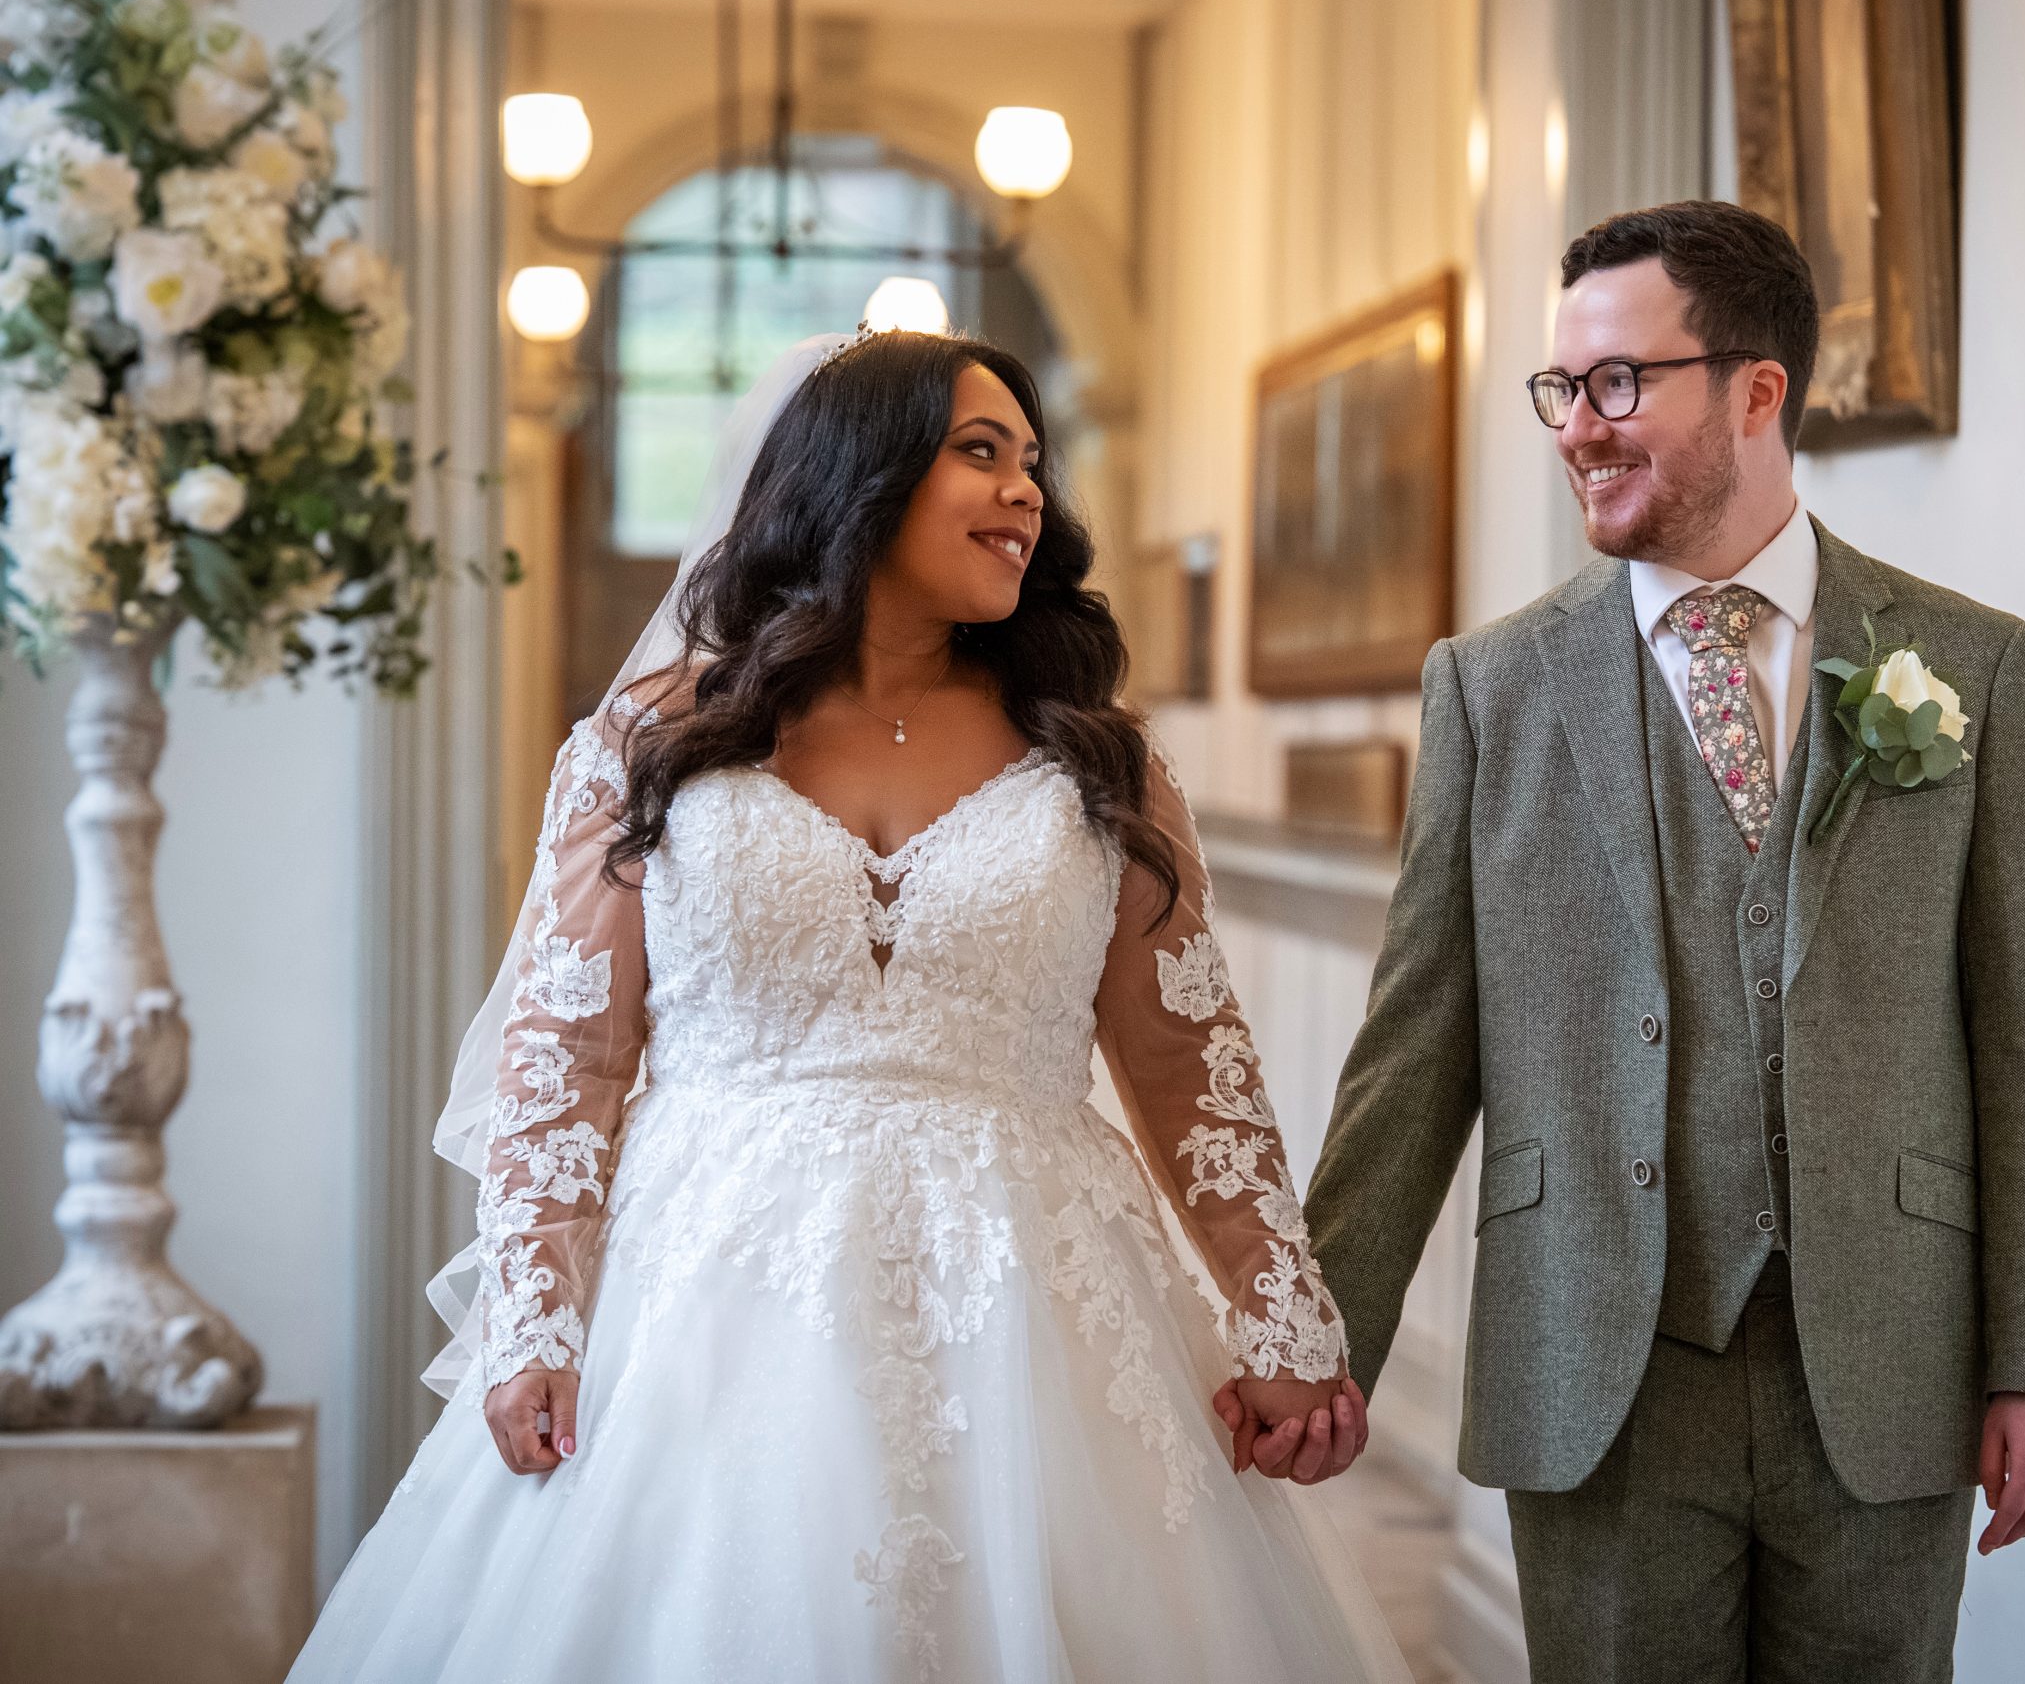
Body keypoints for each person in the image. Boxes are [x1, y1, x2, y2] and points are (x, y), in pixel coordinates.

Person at [288, 330, 1406, 1683]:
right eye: (979, 454)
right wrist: (535, 1317)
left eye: (1033, 464)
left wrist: (1283, 1318)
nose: (1025, 495)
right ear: (857, 481)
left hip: (1036, 1312)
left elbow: (1190, 1065)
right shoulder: (649, 744)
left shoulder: (1097, 761)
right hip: (704, 1310)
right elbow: (568, 1052)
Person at [1298, 201, 2025, 1682]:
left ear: (1755, 391)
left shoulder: (1978, 668)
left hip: (1884, 1363)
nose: (1579, 429)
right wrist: (1319, 1328)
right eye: (1563, 390)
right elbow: (1415, 1045)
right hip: (1603, 1360)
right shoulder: (1493, 689)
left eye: (1620, 383)